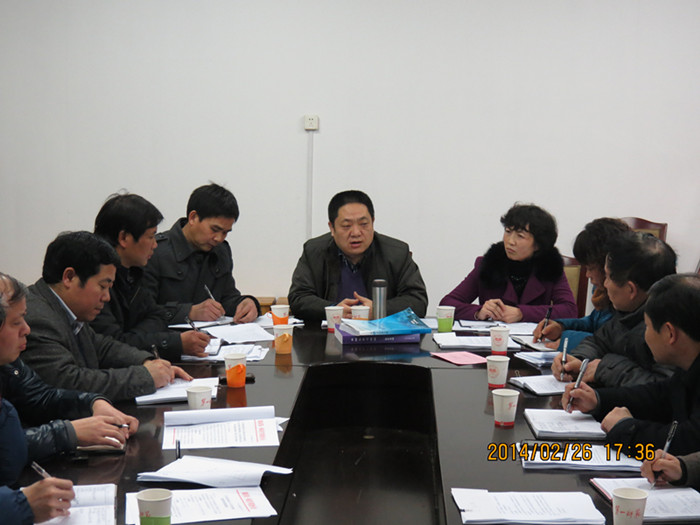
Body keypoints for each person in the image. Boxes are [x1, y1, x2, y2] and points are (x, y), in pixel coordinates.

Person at [0, 273, 134, 524]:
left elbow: (39, 396)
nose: (27, 329)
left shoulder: (9, 363)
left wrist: (92, 403)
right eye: (16, 322)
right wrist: (19, 505)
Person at [22, 232, 191, 401]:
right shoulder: (37, 319)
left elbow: (101, 347)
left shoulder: (66, 310)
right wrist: (145, 376)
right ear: (69, 277)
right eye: (102, 286)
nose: (107, 297)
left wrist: (146, 362)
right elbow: (69, 382)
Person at [563, 273, 700, 456]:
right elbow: (660, 396)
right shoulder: (688, 366)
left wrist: (627, 429)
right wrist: (598, 399)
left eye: (648, 327)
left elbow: (689, 441)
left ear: (670, 333)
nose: (645, 335)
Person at [92, 193, 210, 360]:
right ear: (124, 238)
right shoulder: (94, 282)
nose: (155, 245)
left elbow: (157, 315)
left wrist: (133, 336)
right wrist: (174, 343)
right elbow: (112, 345)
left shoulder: (134, 272)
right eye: (150, 236)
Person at [552, 231, 677, 387]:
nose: (605, 284)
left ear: (631, 290)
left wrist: (604, 368)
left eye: (608, 277)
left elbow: (664, 389)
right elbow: (598, 342)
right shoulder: (629, 311)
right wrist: (578, 360)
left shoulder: (670, 327)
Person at [288, 190, 428, 322]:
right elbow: (298, 298)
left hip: (382, 335)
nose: (356, 233)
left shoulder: (396, 253)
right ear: (332, 228)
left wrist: (379, 310)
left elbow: (418, 301)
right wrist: (333, 310)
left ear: (373, 222)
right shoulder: (314, 252)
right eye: (346, 225)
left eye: (363, 224)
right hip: (329, 335)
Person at [142, 183, 260, 324]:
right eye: (214, 229)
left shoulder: (221, 251)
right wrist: (189, 312)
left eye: (225, 232)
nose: (219, 238)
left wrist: (247, 303)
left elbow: (226, 298)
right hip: (166, 335)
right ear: (193, 218)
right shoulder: (154, 251)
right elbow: (143, 311)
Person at [440, 203, 577, 323]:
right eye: (508, 232)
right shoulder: (490, 264)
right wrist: (479, 312)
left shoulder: (550, 267)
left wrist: (522, 313)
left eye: (520, 236)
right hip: (492, 341)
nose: (510, 241)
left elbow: (569, 310)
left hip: (533, 342)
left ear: (538, 244)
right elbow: (447, 304)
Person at [533, 218, 631, 350]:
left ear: (607, 266)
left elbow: (612, 341)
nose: (587, 275)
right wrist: (561, 326)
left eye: (590, 268)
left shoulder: (625, 297)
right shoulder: (602, 293)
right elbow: (593, 323)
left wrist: (568, 340)